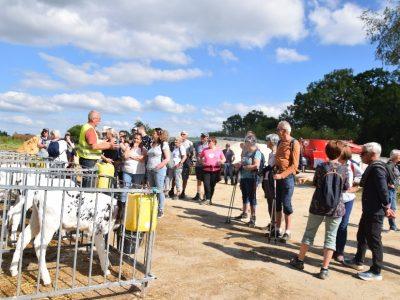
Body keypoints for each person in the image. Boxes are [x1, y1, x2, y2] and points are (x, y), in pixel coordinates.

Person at [290, 141, 349, 280]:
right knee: (331, 237)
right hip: (336, 208)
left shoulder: (322, 166)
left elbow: (316, 183)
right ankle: (324, 269)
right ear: (340, 153)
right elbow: (345, 187)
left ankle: (300, 261)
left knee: (309, 233)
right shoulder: (344, 169)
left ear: (326, 152)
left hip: (318, 205)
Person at [343, 142, 395, 281]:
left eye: (363, 153)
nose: (360, 156)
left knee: (374, 240)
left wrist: (386, 206)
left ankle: (376, 271)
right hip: (369, 209)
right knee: (362, 235)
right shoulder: (374, 166)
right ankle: (358, 261)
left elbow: (383, 190)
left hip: (375, 211)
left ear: (372, 154)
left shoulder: (377, 168)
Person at [333, 147, 363, 263]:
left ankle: (339, 251)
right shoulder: (332, 163)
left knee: (343, 225)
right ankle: (331, 249)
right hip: (334, 199)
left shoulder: (352, 164)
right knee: (333, 225)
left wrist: (355, 187)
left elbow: (361, 177)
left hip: (348, 199)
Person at [273, 121, 300, 242]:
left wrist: (282, 175)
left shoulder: (294, 143)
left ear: (284, 131)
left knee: (286, 204)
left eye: (278, 129)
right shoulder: (279, 142)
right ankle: (278, 229)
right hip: (277, 176)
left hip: (287, 178)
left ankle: (287, 231)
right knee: (278, 203)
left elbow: (295, 166)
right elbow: (278, 158)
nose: (277, 131)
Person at [77, 111, 117, 186]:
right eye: (99, 119)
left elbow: (92, 142)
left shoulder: (86, 127)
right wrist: (110, 146)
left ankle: (85, 196)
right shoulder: (90, 129)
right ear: (93, 119)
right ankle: (87, 197)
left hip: (86, 159)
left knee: (88, 182)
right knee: (89, 184)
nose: (100, 121)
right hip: (89, 160)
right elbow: (94, 146)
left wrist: (103, 142)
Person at [233, 135, 261, 227]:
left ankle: (253, 217)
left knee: (252, 197)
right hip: (244, 177)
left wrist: (243, 167)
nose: (245, 144)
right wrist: (238, 164)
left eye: (246, 142)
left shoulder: (257, 152)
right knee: (245, 196)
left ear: (251, 143)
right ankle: (244, 213)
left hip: (252, 178)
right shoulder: (246, 152)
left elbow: (256, 165)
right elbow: (243, 162)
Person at [146, 128, 170, 218]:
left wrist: (158, 166)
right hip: (149, 169)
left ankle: (160, 210)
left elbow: (167, 158)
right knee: (152, 189)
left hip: (159, 170)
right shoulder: (152, 144)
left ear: (159, 134)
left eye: (154, 133)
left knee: (159, 190)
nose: (153, 135)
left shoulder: (164, 144)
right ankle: (153, 207)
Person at [199, 136, 225, 205]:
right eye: (208, 141)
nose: (209, 143)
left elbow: (224, 159)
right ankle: (207, 199)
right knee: (206, 184)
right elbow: (200, 157)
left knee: (212, 185)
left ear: (214, 142)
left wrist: (221, 162)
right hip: (206, 170)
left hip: (216, 170)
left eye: (210, 141)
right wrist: (202, 162)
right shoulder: (205, 150)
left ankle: (209, 199)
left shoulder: (219, 150)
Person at [262, 133, 280, 231]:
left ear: (272, 142)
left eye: (268, 140)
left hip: (272, 180)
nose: (266, 142)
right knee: (269, 202)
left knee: (273, 202)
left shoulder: (276, 153)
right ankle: (272, 223)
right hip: (266, 179)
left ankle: (275, 224)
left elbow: (273, 167)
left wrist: (266, 169)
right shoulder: (271, 153)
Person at [122, 133, 147, 202]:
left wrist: (131, 156)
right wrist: (132, 149)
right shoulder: (129, 147)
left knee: (136, 188)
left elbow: (142, 159)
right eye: (135, 138)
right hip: (127, 170)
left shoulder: (143, 149)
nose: (135, 140)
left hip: (138, 172)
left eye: (138, 139)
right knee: (125, 187)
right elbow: (125, 156)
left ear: (141, 140)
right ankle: (123, 204)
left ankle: (134, 204)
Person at [192, 133, 209, 201]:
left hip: (206, 166)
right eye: (202, 136)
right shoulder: (196, 144)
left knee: (206, 181)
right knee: (199, 180)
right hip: (198, 165)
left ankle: (205, 196)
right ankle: (198, 194)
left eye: (204, 137)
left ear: (207, 138)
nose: (202, 137)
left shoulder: (209, 145)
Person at [386, 149, 400, 231]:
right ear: (395, 156)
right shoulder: (390, 165)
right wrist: (389, 184)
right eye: (399, 155)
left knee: (392, 207)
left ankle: (392, 226)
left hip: (393, 190)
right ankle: (392, 226)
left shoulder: (395, 165)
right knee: (390, 208)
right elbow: (384, 176)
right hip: (389, 190)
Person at [179, 131, 194, 199]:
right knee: (176, 177)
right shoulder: (178, 141)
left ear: (186, 136)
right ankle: (174, 191)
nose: (182, 135)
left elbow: (191, 154)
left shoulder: (190, 143)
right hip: (178, 161)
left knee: (184, 178)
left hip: (186, 162)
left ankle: (183, 191)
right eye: (181, 134)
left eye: (184, 134)